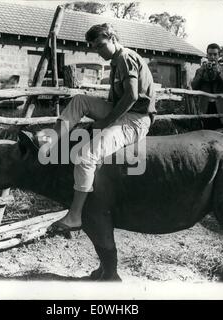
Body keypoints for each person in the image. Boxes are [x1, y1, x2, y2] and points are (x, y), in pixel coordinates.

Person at [46, 23, 156, 232]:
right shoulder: (116, 60)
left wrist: (105, 122)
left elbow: (132, 96)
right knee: (79, 101)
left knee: (86, 156)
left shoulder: (125, 57)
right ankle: (51, 143)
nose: (98, 51)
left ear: (113, 39)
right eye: (94, 47)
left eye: (101, 45)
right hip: (122, 111)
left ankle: (75, 216)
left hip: (136, 119)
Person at [191, 43, 223, 130]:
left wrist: (220, 73)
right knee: (206, 138)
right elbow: (194, 87)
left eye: (215, 54)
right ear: (207, 55)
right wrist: (201, 72)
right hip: (206, 109)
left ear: (219, 56)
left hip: (222, 110)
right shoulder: (200, 71)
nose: (212, 57)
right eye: (210, 54)